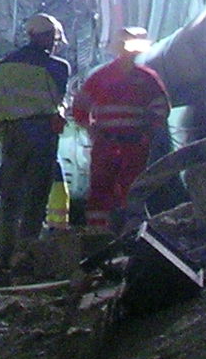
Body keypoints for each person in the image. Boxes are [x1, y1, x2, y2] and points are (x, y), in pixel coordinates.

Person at [0, 14, 72, 268]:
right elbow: (58, 97)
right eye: (52, 38)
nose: (54, 43)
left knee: (11, 194)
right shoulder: (58, 67)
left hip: (11, 132)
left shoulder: (3, 65)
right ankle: (26, 251)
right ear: (45, 37)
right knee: (36, 193)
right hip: (42, 131)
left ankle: (5, 253)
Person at [72, 26, 172, 231]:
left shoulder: (147, 78)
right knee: (102, 188)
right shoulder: (102, 77)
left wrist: (147, 133)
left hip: (134, 143)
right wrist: (91, 130)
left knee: (133, 189)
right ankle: (98, 233)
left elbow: (161, 109)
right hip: (107, 142)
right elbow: (80, 107)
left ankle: (131, 232)